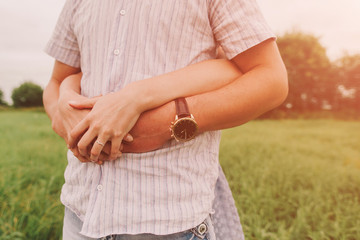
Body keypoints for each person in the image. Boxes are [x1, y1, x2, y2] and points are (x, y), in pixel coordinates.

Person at [43, 0, 288, 239]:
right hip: (80, 212)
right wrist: (64, 112)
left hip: (170, 223)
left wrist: (167, 121)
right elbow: (58, 81)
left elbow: (268, 77)